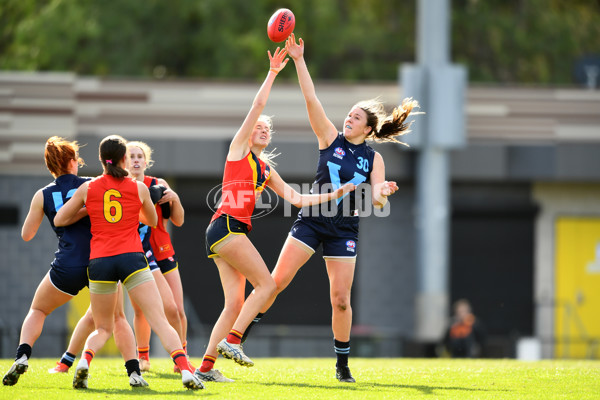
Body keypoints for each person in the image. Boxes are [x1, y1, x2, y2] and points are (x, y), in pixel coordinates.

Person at [241, 33, 420, 383]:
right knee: (277, 282)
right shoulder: (329, 139)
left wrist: (382, 189)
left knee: (340, 299)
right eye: (349, 114)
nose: (348, 119)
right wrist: (299, 60)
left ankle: (342, 365)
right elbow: (311, 99)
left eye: (356, 118)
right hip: (312, 220)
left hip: (344, 228)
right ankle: (239, 338)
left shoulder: (373, 157)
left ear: (368, 129)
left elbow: (377, 199)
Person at [193, 47, 355, 383]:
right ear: (249, 133)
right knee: (267, 285)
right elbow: (257, 107)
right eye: (259, 128)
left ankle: (205, 368)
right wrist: (273, 72)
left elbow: (297, 198)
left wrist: (335, 194)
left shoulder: (265, 169)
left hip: (226, 233)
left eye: (268, 129)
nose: (263, 129)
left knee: (234, 305)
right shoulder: (238, 151)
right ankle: (233, 342)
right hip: (227, 229)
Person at [54, 135, 203, 390]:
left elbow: (60, 220)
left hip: (100, 261)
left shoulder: (88, 188)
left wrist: (90, 208)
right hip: (132, 258)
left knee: (102, 327)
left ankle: (84, 363)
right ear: (124, 159)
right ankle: (187, 372)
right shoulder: (138, 188)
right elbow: (152, 221)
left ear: (101, 160)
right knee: (159, 320)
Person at [2, 136, 145, 388]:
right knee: (118, 318)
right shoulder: (92, 184)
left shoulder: (42, 194)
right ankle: (134, 372)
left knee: (38, 310)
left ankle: (22, 355)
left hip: (67, 264)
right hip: (101, 260)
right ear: (71, 162)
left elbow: (26, 235)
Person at [126, 140, 191, 373]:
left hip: (162, 252)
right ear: (124, 161)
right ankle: (143, 357)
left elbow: (179, 221)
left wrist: (175, 198)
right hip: (138, 254)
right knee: (141, 310)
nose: (135, 160)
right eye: (131, 156)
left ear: (146, 161)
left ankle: (181, 356)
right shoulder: (121, 187)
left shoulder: (158, 185)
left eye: (139, 156)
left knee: (176, 309)